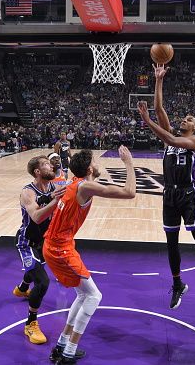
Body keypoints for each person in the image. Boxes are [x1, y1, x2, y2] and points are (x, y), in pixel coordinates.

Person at [137, 63, 195, 309]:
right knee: (171, 242)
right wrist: (158, 80)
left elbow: (169, 138)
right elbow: (159, 108)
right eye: (184, 118)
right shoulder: (173, 138)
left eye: (190, 119)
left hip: (188, 193)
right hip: (169, 194)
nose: (185, 119)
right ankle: (177, 284)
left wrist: (147, 121)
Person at [44, 146, 135, 364]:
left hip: (55, 245)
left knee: (83, 295)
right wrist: (128, 162)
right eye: (95, 161)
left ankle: (62, 345)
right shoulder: (85, 186)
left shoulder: (73, 183)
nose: (98, 163)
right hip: (60, 249)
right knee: (94, 296)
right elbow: (129, 192)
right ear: (89, 168)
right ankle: (69, 352)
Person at [13, 156, 66, 344]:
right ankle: (31, 324)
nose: (50, 166)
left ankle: (22, 289)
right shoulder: (27, 192)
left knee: (34, 271)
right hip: (27, 242)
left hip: (44, 241)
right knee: (43, 282)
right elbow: (36, 217)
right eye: (46, 164)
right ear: (37, 171)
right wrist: (55, 201)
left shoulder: (53, 188)